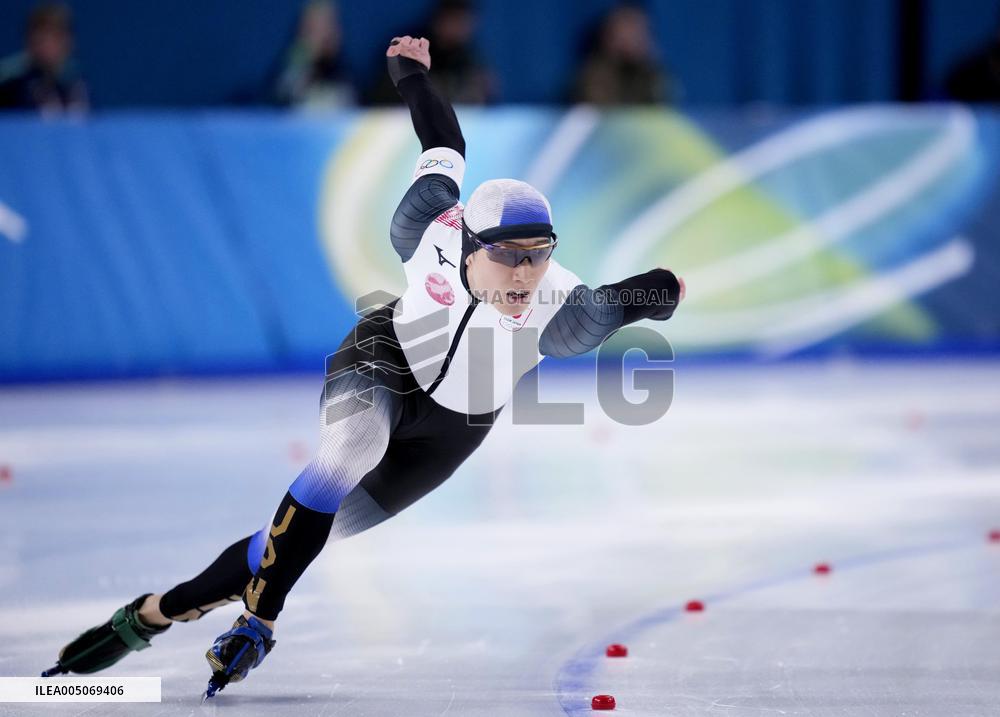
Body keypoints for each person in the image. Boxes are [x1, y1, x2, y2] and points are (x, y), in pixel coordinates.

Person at [42, 35, 685, 698]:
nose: (526, 271)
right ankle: (258, 621)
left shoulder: (557, 303)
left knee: (292, 541)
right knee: (350, 446)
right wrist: (412, 75)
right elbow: (443, 147)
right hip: (384, 358)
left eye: (540, 253)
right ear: (465, 243)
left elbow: (608, 309)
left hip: (455, 428)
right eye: (510, 254)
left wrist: (656, 292)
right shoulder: (425, 224)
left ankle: (156, 610)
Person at [573, 3, 673, 106]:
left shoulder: (653, 74)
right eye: (625, 30)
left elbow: (663, 106)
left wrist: (652, 65)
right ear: (608, 36)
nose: (631, 38)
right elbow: (598, 110)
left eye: (638, 31)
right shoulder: (593, 75)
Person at [0, 3, 89, 113]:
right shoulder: (10, 83)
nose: (48, 45)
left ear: (69, 42)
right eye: (42, 38)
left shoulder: (74, 81)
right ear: (29, 41)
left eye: (57, 36)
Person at [272, 0, 355, 109]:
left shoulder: (346, 70)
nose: (322, 35)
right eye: (313, 28)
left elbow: (354, 102)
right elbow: (277, 99)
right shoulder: (290, 64)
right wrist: (305, 57)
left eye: (326, 26)